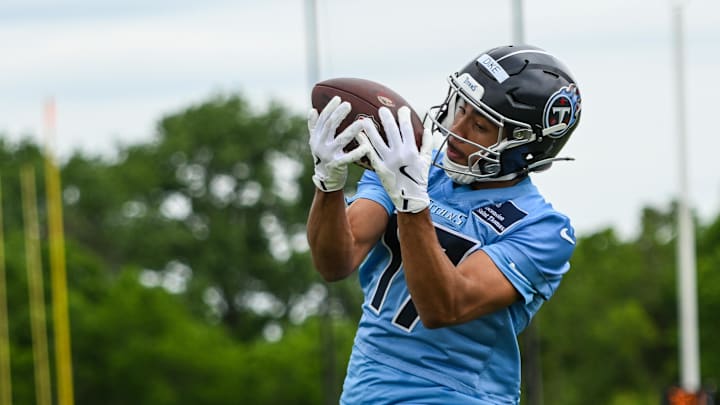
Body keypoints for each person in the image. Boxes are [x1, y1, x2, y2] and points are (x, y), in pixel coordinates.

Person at [306, 44, 582, 404]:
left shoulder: (542, 230)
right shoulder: (414, 165)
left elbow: (444, 306)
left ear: (523, 146)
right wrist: (328, 183)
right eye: (460, 109)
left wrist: (412, 204)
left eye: (480, 125)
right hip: (366, 387)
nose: (457, 128)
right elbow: (335, 262)